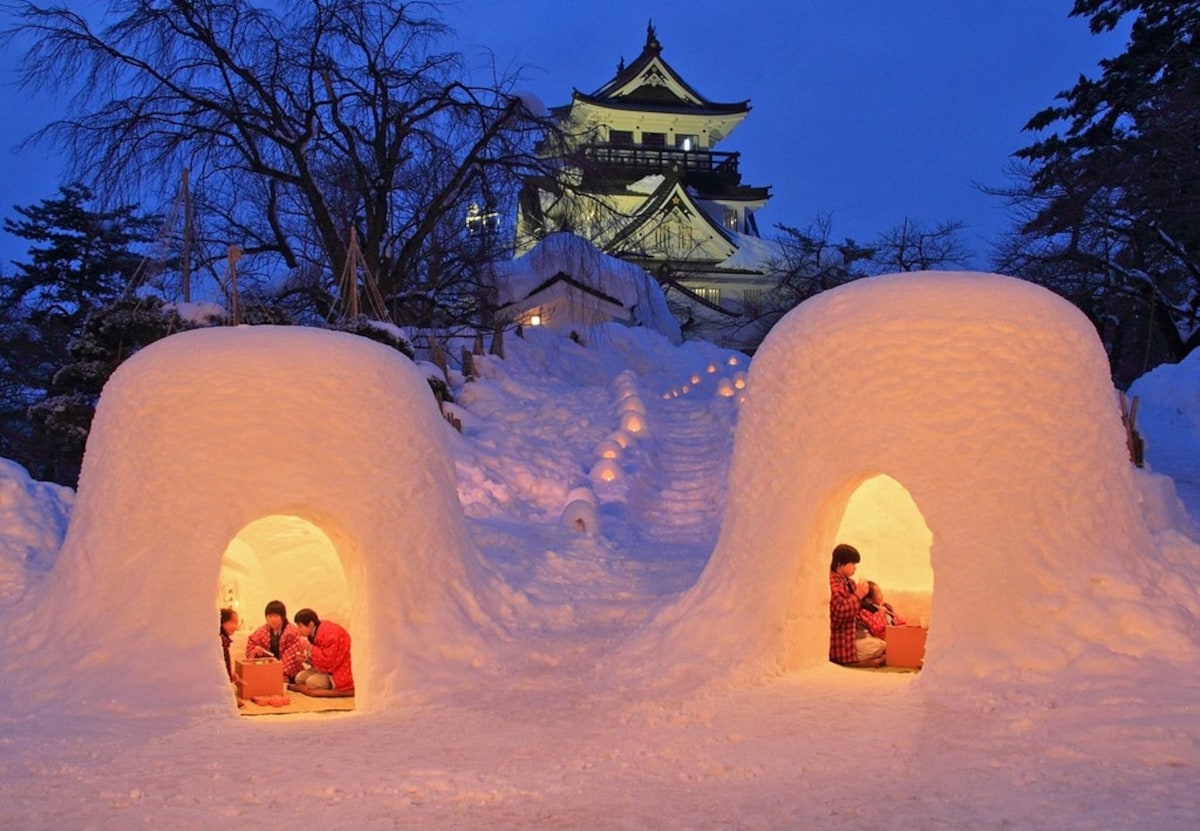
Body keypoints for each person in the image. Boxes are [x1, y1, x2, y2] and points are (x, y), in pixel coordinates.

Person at [829, 543, 884, 667]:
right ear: (839, 563)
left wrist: (874, 608)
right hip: (841, 640)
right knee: (880, 647)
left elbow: (859, 606)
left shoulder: (848, 581)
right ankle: (861, 663)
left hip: (852, 635)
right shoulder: (833, 582)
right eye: (852, 563)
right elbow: (839, 613)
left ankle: (869, 661)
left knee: (884, 646)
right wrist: (858, 595)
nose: (855, 568)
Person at [292, 608, 354, 694]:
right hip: (324, 668)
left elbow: (328, 660)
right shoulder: (313, 633)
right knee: (299, 678)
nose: (298, 630)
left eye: (300, 626)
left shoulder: (329, 633)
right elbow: (318, 659)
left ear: (310, 624)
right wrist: (305, 659)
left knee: (311, 682)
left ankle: (330, 683)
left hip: (337, 670)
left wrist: (309, 647)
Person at [245, 599, 306, 681]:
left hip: (288, 671)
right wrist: (256, 652)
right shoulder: (262, 631)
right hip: (269, 668)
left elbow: (291, 657)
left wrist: (275, 671)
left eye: (276, 616)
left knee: (279, 679)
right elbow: (251, 644)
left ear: (283, 617)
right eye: (270, 616)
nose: (272, 619)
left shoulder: (292, 632)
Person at [220, 607, 239, 682]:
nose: (235, 626)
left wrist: (230, 675)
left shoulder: (223, 639)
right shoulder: (221, 640)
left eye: (236, 623)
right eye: (231, 622)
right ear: (221, 621)